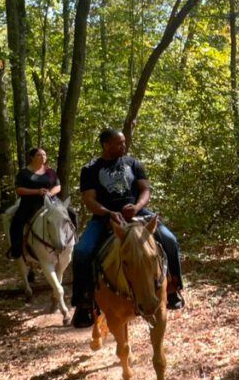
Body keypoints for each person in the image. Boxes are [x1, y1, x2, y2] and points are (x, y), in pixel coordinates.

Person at [70, 128, 185, 328]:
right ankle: (84, 303)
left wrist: (137, 207)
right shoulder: (90, 169)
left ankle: (173, 289)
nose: (124, 146)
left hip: (138, 214)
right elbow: (89, 199)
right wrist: (107, 212)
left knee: (170, 240)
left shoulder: (133, 163)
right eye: (119, 143)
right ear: (106, 145)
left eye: (124, 142)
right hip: (104, 218)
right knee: (81, 252)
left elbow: (145, 189)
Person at [7, 147, 60, 260]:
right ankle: (16, 250)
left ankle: (72, 241)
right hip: (30, 203)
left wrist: (50, 193)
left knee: (70, 213)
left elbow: (58, 186)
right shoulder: (24, 173)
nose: (43, 157)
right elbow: (19, 189)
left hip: (51, 202)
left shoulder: (50, 172)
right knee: (17, 222)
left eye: (44, 155)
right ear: (32, 157)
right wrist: (37, 191)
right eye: (39, 155)